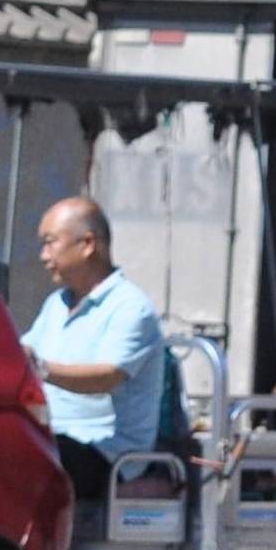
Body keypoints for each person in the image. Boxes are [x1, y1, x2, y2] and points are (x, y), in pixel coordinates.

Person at [24, 196, 167, 515]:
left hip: (105, 454)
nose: (43, 256)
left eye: (50, 243)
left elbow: (107, 376)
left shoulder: (131, 308)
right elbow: (22, 355)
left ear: (87, 244)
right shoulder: (56, 305)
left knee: (16, 459)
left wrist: (40, 368)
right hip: (54, 437)